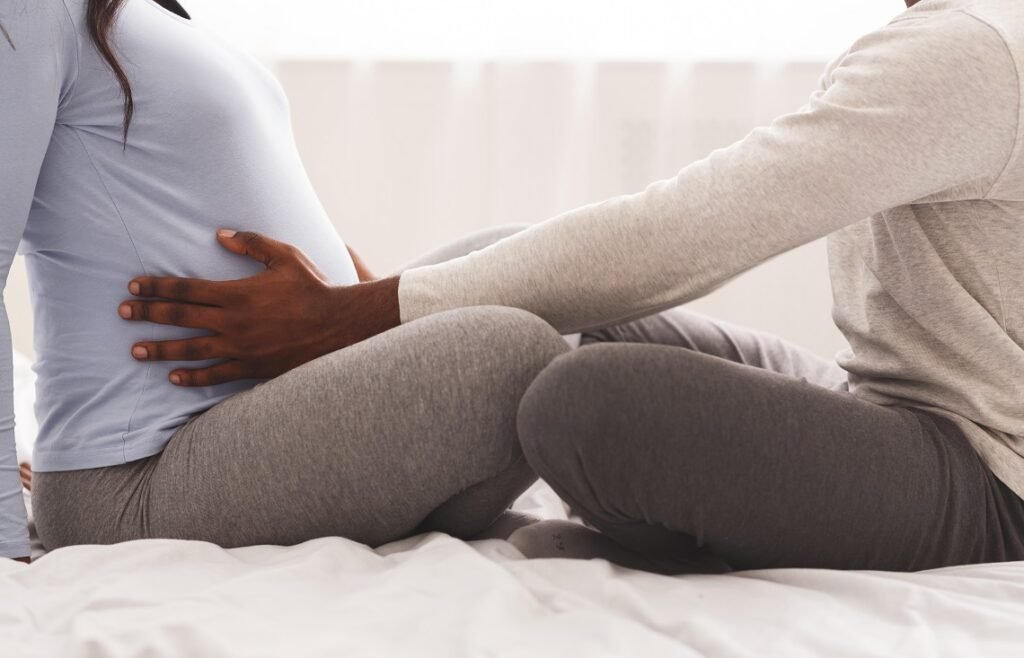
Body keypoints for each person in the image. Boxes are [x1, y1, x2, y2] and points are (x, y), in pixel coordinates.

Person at [123, 0, 1024, 574]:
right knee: (498, 277)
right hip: (893, 401)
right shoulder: (965, 35)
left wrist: (363, 313)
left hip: (990, 478)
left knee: (586, 406)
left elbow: (689, 230)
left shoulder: (970, 50)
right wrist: (393, 314)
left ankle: (694, 545)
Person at [0, 0, 573, 566]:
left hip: (262, 402)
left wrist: (357, 302)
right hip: (138, 470)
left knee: (529, 269)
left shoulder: (140, 11)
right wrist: (5, 546)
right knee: (512, 351)